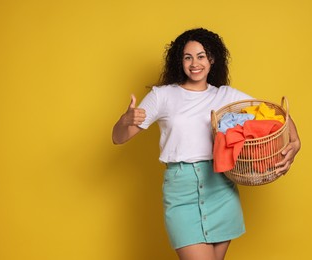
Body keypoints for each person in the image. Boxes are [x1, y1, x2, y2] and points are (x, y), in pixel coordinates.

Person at [112, 28, 301, 260]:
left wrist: (295, 140)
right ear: (179, 61)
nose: (195, 63)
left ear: (212, 59)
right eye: (187, 57)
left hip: (220, 187)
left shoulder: (225, 95)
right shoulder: (162, 96)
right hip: (181, 192)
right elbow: (118, 137)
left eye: (201, 56)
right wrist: (125, 120)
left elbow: (274, 113)